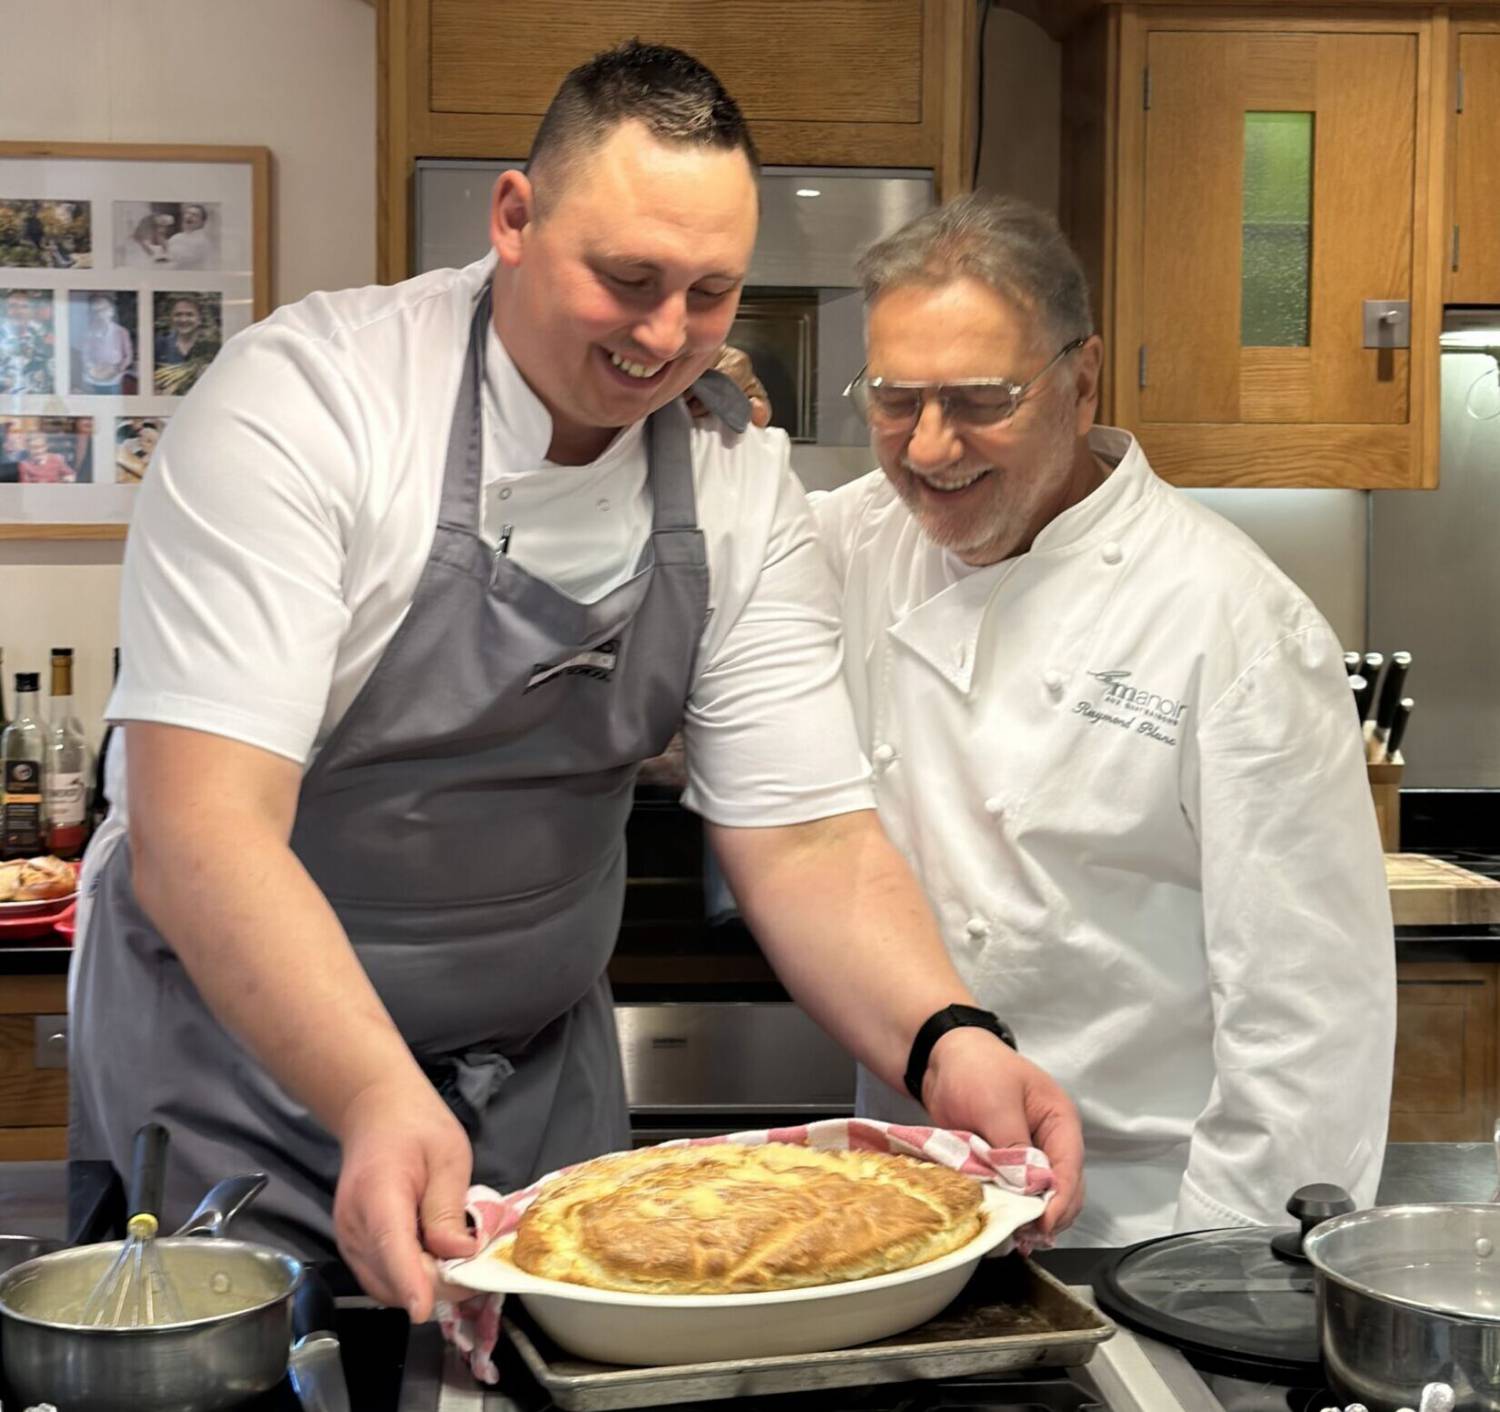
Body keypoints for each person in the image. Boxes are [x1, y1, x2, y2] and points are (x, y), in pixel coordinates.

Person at [70, 45, 1083, 1324]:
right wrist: (378, 1092)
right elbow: (202, 831)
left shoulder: (732, 478)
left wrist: (948, 1038)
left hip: (538, 1087)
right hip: (236, 1070)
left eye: (711, 293)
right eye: (628, 279)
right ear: (514, 217)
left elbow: (810, 840)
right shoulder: (309, 407)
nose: (665, 336)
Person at [812, 194, 1395, 1246]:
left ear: (1081, 383)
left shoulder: (1233, 622)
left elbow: (1310, 1016)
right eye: (895, 400)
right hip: (905, 1211)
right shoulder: (852, 542)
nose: (930, 447)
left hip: (1141, 1225)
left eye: (980, 399)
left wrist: (1220, 1277)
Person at [152, 294, 219, 394]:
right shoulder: (159, 346)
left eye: (189, 315)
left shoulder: (212, 349)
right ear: (171, 318)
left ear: (199, 319)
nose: (183, 319)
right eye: (178, 315)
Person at [78, 293, 133, 394]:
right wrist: (91, 367)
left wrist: (118, 368)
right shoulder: (88, 333)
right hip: (93, 379)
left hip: (114, 379)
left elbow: (128, 356)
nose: (100, 314)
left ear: (111, 311)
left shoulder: (121, 332)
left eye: (103, 309)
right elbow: (85, 355)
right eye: (96, 311)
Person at [165, 202, 214, 270]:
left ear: (202, 222)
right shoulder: (176, 237)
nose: (188, 216)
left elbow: (182, 261)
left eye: (195, 215)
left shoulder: (203, 241)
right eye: (187, 213)